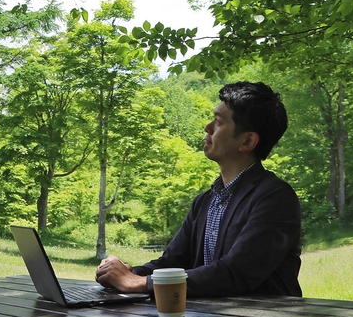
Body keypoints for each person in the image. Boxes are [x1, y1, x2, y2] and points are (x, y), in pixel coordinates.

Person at [96, 81, 302, 298]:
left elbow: (236, 272)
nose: (208, 128)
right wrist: (125, 273)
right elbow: (172, 262)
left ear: (248, 140)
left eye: (218, 122)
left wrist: (140, 282)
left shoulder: (275, 198)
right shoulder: (205, 201)